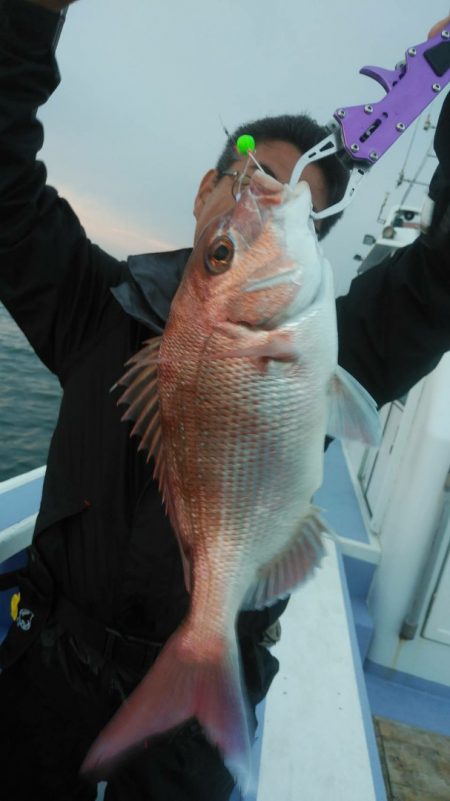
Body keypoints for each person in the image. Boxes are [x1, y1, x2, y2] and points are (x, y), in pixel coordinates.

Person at [0, 1, 449, 799]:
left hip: (188, 733)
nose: (264, 197)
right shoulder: (91, 307)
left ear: (315, 240)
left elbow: (441, 282)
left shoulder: (330, 346)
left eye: (296, 203)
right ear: (208, 188)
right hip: (46, 674)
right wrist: (29, 18)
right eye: (248, 178)